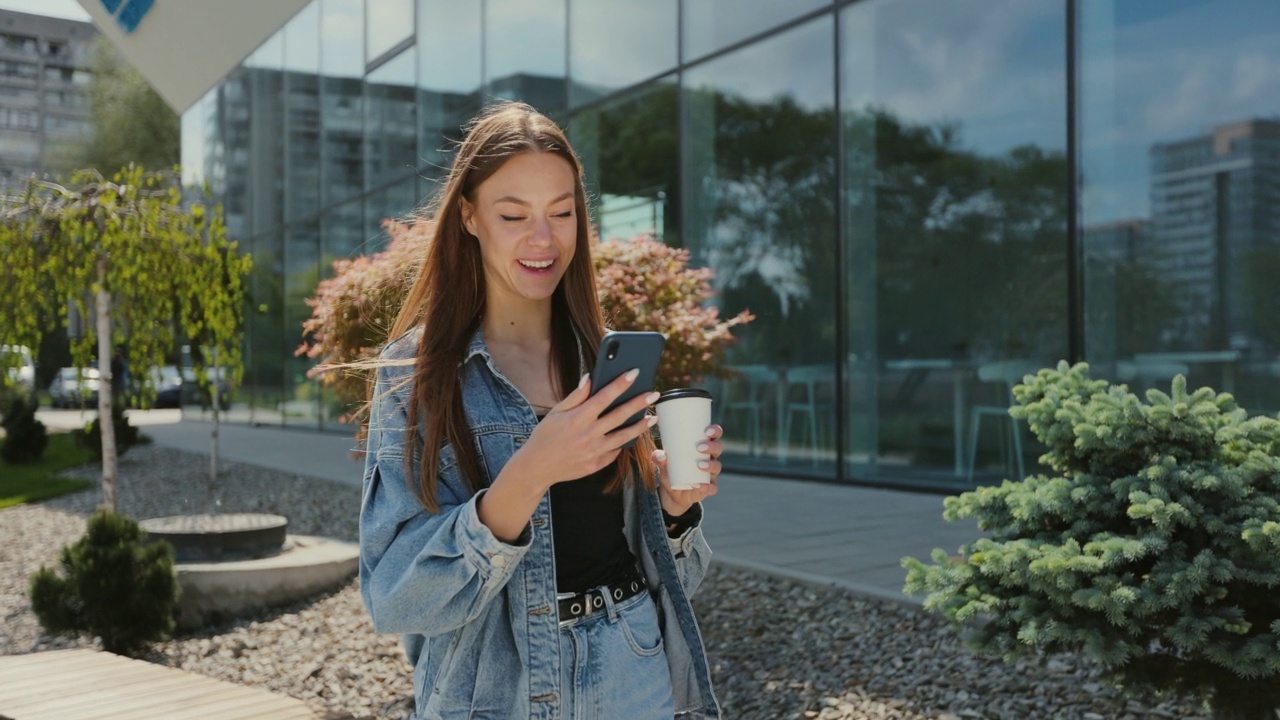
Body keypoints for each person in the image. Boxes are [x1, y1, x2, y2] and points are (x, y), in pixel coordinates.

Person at [358, 101, 724, 720]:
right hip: (498, 688)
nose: (543, 239)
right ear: (470, 216)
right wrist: (532, 471)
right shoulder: (417, 376)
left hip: (632, 665)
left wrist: (671, 508)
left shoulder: (599, 359)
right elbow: (394, 598)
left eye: (562, 213)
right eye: (513, 214)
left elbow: (651, 567)